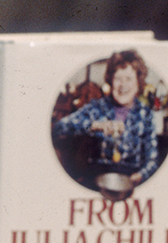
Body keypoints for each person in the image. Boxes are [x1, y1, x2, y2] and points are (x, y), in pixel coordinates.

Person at [53, 49, 161, 191]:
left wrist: (140, 176)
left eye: (129, 79)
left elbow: (152, 160)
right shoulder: (96, 107)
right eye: (118, 79)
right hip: (95, 182)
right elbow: (59, 128)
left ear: (138, 83)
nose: (123, 85)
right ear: (110, 81)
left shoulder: (145, 114)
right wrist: (94, 125)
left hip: (130, 183)